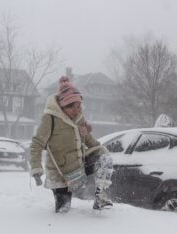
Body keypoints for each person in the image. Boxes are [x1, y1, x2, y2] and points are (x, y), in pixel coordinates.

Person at [30, 76, 114, 213]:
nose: (77, 110)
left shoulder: (79, 118)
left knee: (104, 158)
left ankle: (101, 197)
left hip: (79, 166)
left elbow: (89, 140)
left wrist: (101, 151)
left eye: (78, 106)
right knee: (63, 210)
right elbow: (36, 144)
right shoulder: (50, 119)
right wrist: (36, 169)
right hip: (60, 173)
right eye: (73, 107)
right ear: (63, 106)